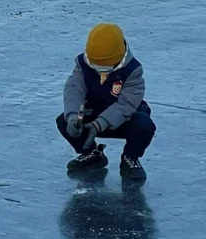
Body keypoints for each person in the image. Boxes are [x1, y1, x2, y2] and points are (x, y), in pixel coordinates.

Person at [57, 23, 156, 182]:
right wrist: (74, 117)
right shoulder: (82, 66)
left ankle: (130, 157)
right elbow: (74, 91)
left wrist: (100, 124)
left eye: (106, 68)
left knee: (144, 126)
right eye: (95, 66)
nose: (100, 72)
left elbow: (126, 104)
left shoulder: (133, 71)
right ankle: (92, 153)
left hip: (124, 119)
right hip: (92, 114)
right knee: (63, 120)